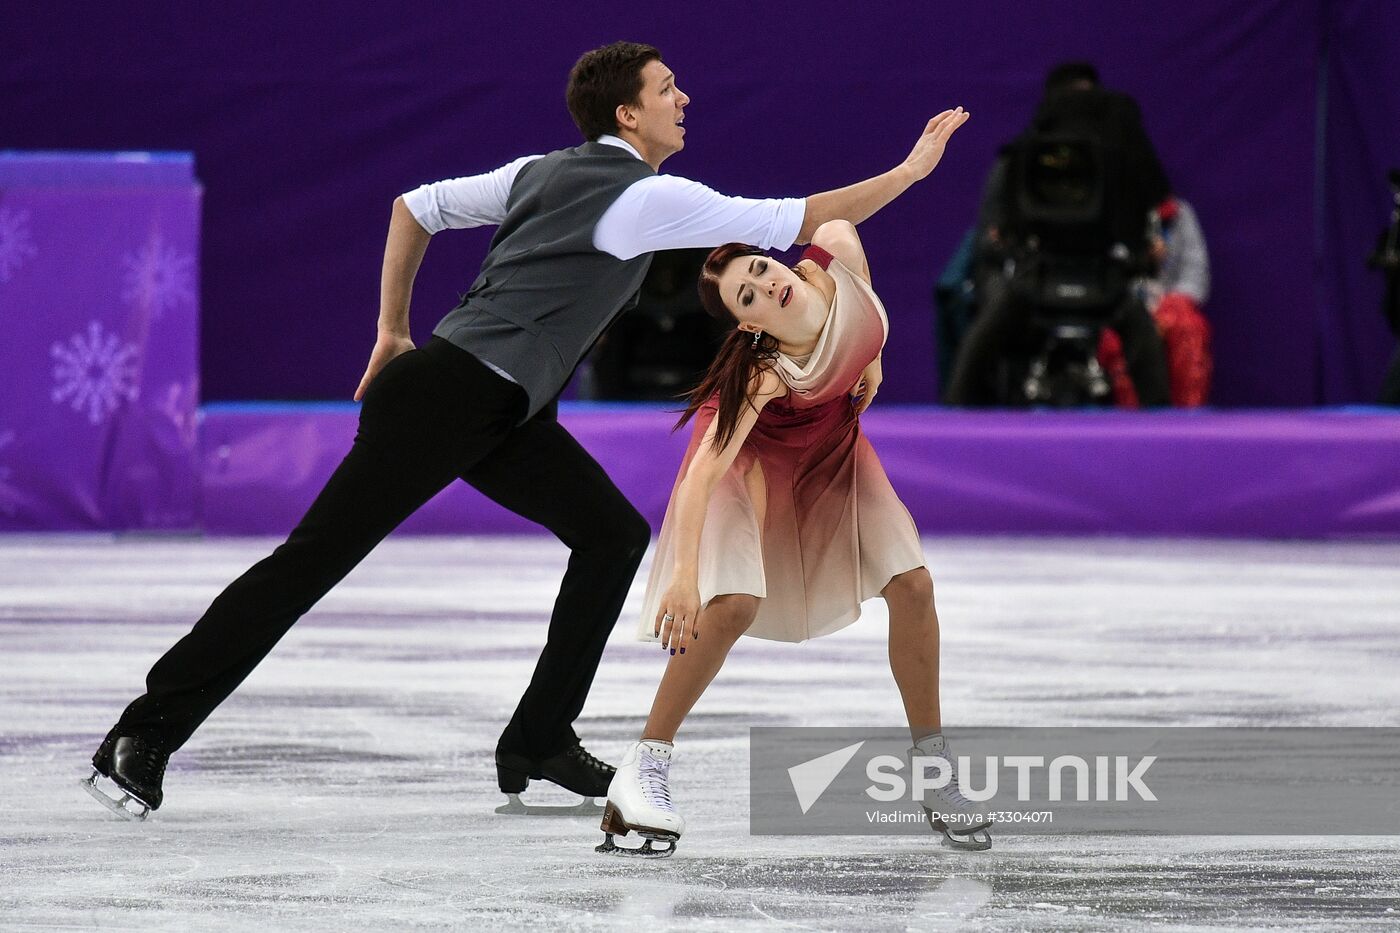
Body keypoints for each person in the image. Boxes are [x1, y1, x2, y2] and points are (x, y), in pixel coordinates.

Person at [82, 40, 973, 821]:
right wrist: (908, 174)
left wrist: (395, 329)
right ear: (630, 113)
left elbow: (412, 207)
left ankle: (540, 737)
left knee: (611, 534)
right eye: (668, 89)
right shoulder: (641, 196)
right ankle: (142, 736)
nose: (683, 99)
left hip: (501, 406)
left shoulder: (538, 171)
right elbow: (800, 218)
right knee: (307, 565)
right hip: (448, 397)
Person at [595, 218, 992, 859]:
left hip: (834, 453)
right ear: (747, 326)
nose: (763, 285)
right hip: (747, 468)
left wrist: (875, 359)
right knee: (733, 605)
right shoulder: (763, 375)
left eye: (759, 268)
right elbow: (700, 479)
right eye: (745, 297)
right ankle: (643, 766)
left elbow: (838, 226)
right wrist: (684, 576)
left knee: (913, 586)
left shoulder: (835, 277)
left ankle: (933, 771)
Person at [943, 62, 1171, 407]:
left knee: (1143, 338)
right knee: (986, 333)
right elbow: (993, 237)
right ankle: (952, 427)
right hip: (1037, 275)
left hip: (1100, 275)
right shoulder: (1022, 161)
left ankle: (1165, 434)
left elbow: (1143, 217)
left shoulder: (1119, 162)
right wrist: (1005, 244)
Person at [1098, 195, 1213, 407]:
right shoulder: (1108, 213)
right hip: (1123, 310)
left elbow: (1196, 276)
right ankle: (1137, 425)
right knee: (1122, 337)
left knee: (1190, 329)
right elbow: (1104, 275)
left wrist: (1167, 312)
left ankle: (1186, 421)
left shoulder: (1180, 214)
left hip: (1172, 309)